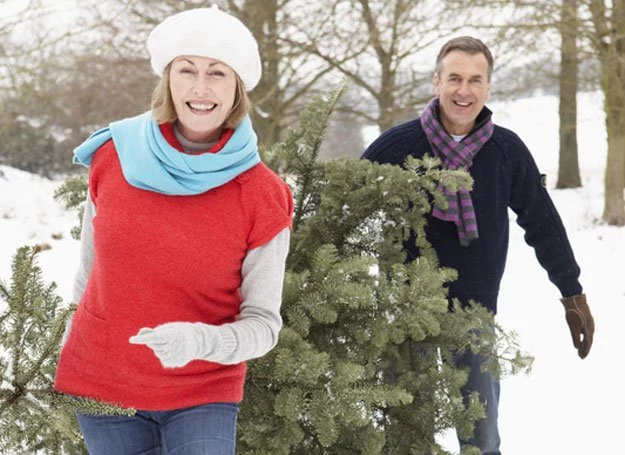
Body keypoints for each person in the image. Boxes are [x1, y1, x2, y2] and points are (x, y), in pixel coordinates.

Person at [54, 6, 293, 455]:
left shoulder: (261, 194)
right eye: (188, 70)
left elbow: (263, 324)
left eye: (217, 73)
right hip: (105, 381)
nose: (201, 87)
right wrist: (71, 341)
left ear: (237, 88)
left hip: (203, 387)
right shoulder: (114, 156)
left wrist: (200, 341)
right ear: (169, 79)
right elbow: (89, 273)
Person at [361, 36, 594, 454]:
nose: (463, 90)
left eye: (474, 80)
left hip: (473, 314)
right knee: (404, 440)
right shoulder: (397, 147)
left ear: (488, 88)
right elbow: (343, 208)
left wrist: (571, 292)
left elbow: (543, 224)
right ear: (436, 82)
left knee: (482, 439)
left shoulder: (505, 151)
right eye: (454, 78)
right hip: (404, 312)